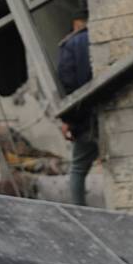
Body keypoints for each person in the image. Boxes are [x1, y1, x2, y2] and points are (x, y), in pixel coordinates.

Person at [57, 14, 98, 206]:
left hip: (85, 116)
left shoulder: (71, 45)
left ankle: (80, 210)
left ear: (75, 23)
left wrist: (68, 120)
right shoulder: (102, 36)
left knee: (78, 169)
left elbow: (67, 83)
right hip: (109, 109)